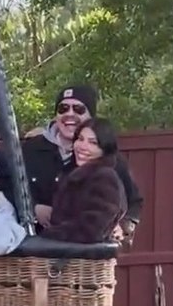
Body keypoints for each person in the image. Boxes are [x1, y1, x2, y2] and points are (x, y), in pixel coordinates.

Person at [22, 85, 142, 240]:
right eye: (63, 108)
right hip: (33, 250)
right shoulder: (30, 148)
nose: (69, 114)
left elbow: (133, 202)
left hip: (85, 254)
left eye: (78, 109)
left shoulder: (110, 160)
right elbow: (8, 188)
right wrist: (33, 209)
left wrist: (122, 227)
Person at [43, 118, 127, 244]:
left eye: (93, 143)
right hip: (66, 257)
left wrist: (50, 234)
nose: (82, 147)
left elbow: (92, 229)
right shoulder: (73, 173)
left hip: (85, 259)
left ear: (105, 149)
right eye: (80, 139)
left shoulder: (104, 177)